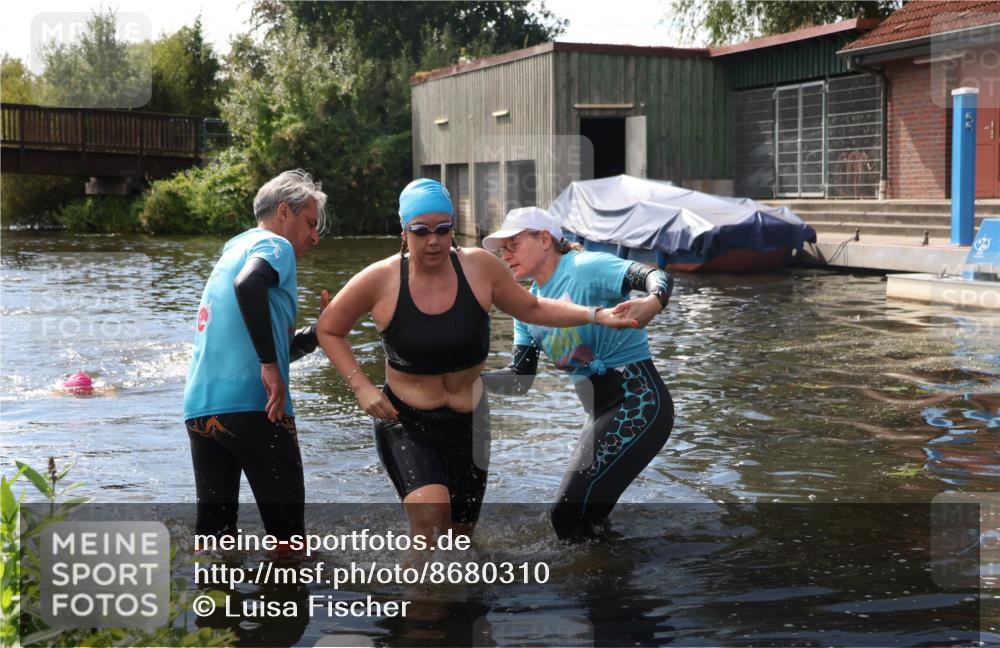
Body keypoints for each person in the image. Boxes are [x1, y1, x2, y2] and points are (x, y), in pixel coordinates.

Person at [316, 179, 638, 541]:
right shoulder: (381, 279)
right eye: (421, 231)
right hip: (406, 421)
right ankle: (420, 597)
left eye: (443, 229)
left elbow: (532, 307)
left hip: (470, 425)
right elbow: (328, 329)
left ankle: (460, 596)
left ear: (453, 227)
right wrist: (361, 387)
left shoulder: (480, 268)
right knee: (430, 521)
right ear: (404, 232)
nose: (433, 240)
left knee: (460, 537)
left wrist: (597, 315)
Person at [481, 207, 675, 540]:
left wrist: (653, 302)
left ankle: (600, 584)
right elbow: (519, 379)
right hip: (599, 414)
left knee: (565, 516)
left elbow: (656, 277)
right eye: (502, 249)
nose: (506, 255)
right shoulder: (525, 309)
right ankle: (613, 579)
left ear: (544, 239)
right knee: (585, 516)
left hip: (640, 403)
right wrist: (465, 378)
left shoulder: (584, 268)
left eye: (513, 243)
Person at [183, 169, 328, 543]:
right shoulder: (275, 246)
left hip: (202, 411)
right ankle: (287, 599)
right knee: (289, 541)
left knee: (214, 540)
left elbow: (266, 342)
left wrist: (316, 335)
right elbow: (248, 284)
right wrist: (269, 366)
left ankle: (213, 601)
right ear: (284, 212)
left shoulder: (234, 249)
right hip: (256, 408)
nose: (314, 236)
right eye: (310, 224)